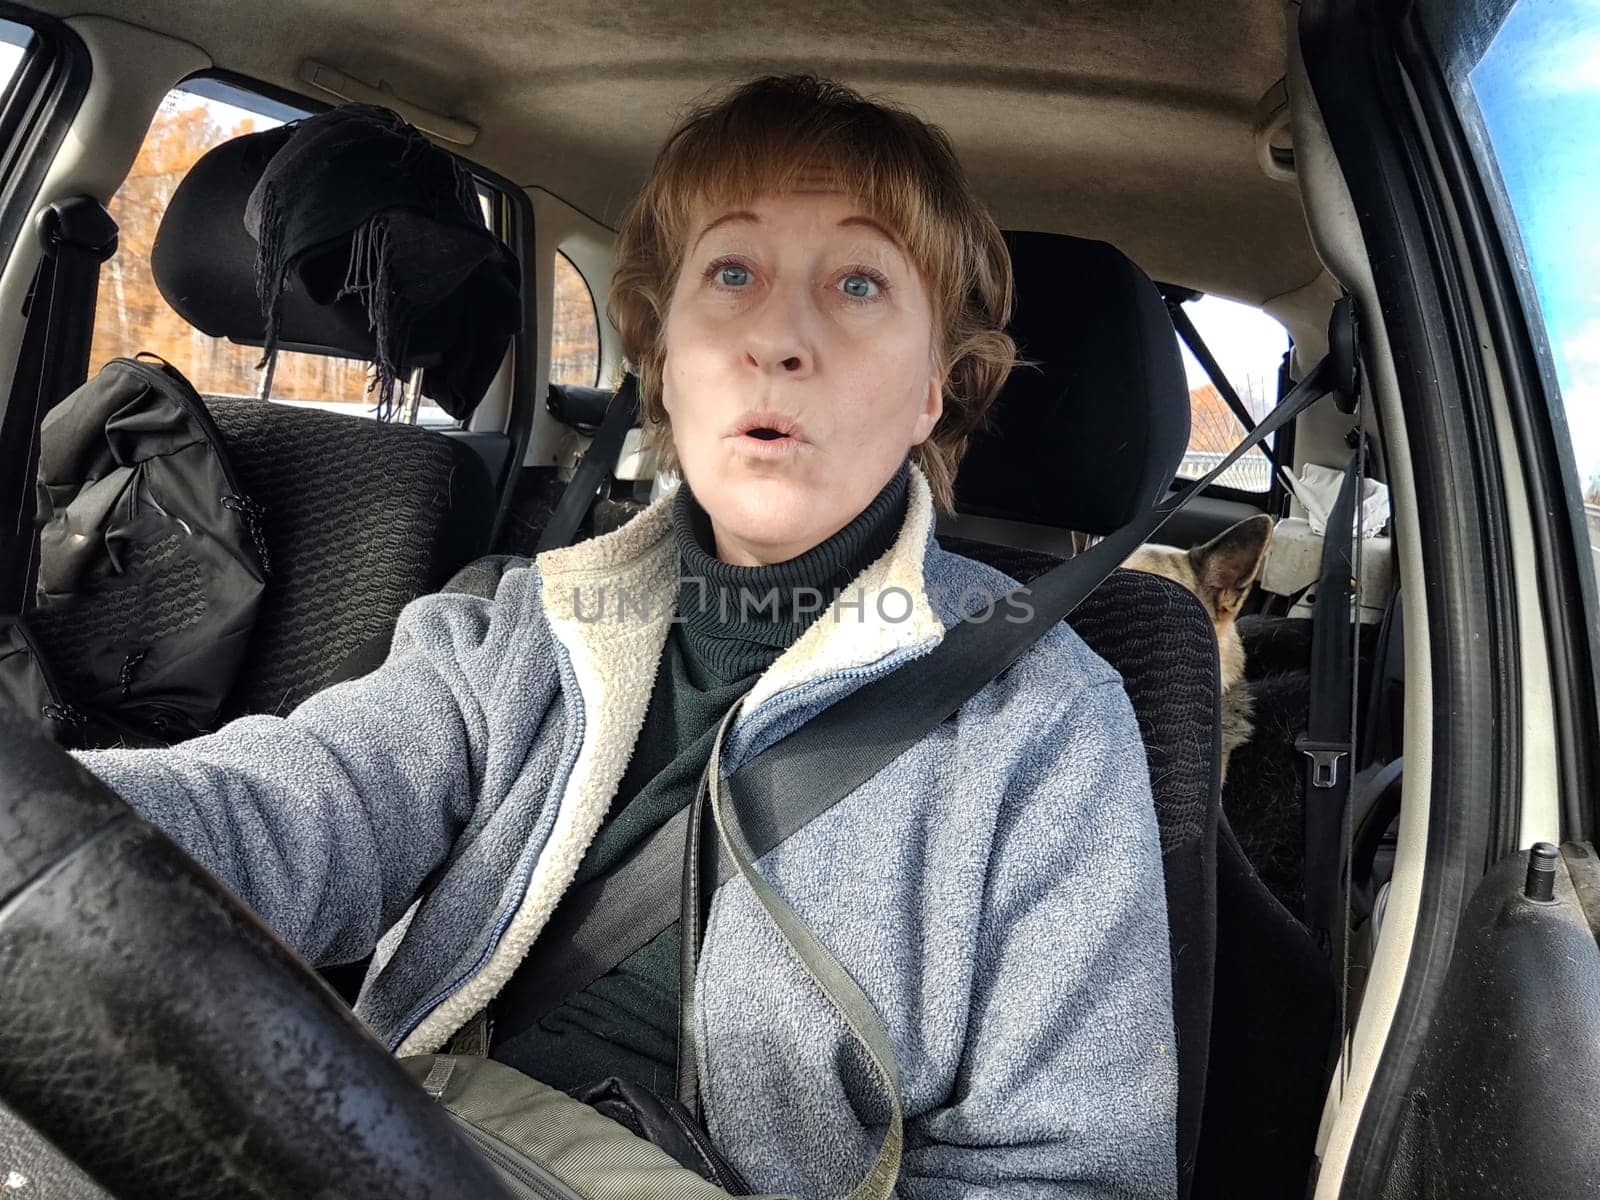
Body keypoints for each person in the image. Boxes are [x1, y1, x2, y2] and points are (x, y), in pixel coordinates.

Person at [76, 75, 1178, 1198]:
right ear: (660, 354)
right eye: (732, 274)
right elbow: (283, 809)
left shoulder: (1043, 724)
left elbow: (1065, 1171)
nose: (780, 339)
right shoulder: (514, 627)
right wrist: (55, 838)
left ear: (932, 392)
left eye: (857, 283)